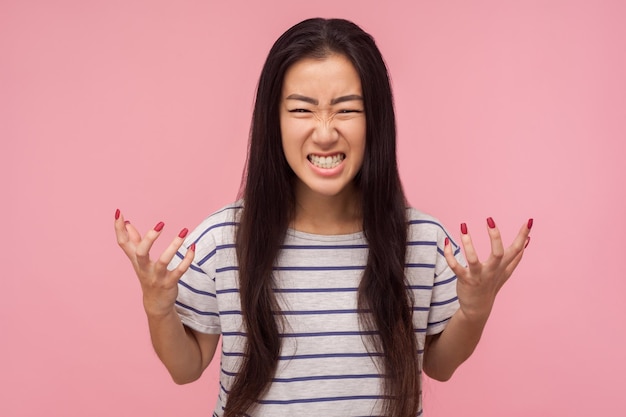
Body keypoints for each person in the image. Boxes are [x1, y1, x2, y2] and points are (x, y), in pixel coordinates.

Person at [114, 17, 532, 417]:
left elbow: (439, 365)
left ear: (376, 120)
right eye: (301, 110)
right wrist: (158, 306)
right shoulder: (224, 239)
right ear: (272, 120)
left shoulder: (422, 240)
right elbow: (185, 368)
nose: (326, 131)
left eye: (347, 110)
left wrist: (474, 311)